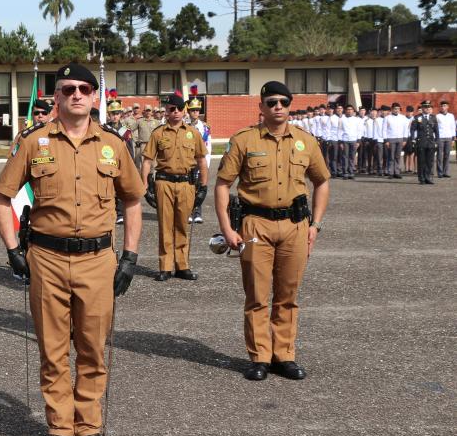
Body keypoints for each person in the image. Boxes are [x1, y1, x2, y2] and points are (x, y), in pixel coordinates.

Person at [0, 62, 144, 436]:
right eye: (67, 89)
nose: (75, 94)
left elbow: (132, 200)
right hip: (47, 259)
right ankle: (59, 429)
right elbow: (1, 196)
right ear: (56, 97)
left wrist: (130, 256)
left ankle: (88, 428)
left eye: (83, 89)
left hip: (98, 260)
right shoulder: (33, 142)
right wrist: (11, 248)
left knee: (93, 347)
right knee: (53, 349)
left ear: (95, 98)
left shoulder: (113, 144)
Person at [214, 81, 330, 382]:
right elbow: (223, 184)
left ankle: (284, 356)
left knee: (288, 295)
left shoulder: (305, 141)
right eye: (271, 102)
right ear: (261, 107)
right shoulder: (244, 140)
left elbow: (322, 181)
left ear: (290, 106)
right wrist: (227, 227)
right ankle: (260, 357)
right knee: (256, 295)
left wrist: (315, 225)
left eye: (284, 102)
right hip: (255, 225)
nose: (278, 106)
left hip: (295, 226)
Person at [141, 93, 208, 281]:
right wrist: (145, 186)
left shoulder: (193, 133)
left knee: (182, 225)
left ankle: (182, 266)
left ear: (184, 110)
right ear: (166, 111)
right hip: (164, 183)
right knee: (165, 225)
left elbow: (202, 161)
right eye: (172, 109)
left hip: (187, 184)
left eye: (179, 109)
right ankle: (165, 267)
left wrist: (203, 187)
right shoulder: (158, 133)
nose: (176, 112)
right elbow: (147, 161)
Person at [186, 95, 211, 223]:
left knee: (200, 187)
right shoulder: (183, 126)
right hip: (188, 162)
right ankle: (189, 212)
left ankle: (197, 213)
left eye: (197, 110)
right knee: (189, 187)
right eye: (192, 110)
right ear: (188, 111)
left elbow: (208, 146)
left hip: (200, 161)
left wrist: (207, 163)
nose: (195, 112)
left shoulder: (205, 127)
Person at [411, 101, 439, 185]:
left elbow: (436, 131)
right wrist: (413, 139)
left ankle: (428, 177)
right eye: (425, 107)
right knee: (421, 161)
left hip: (430, 142)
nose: (427, 109)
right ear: (422, 108)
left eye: (428, 107)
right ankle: (421, 178)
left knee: (429, 161)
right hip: (421, 142)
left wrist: (437, 141)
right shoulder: (417, 117)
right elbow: (412, 129)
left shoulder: (433, 117)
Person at [382, 103, 409, 178]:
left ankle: (397, 172)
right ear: (392, 109)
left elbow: (405, 129)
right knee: (391, 156)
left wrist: (405, 139)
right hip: (391, 139)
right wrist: (386, 140)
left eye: (398, 109)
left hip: (400, 138)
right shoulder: (387, 118)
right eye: (395, 109)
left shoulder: (403, 118)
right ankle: (390, 172)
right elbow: (384, 130)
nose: (396, 110)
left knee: (397, 156)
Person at [338, 104, 363, 180]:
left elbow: (359, 130)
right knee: (345, 157)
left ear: (353, 111)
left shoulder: (357, 120)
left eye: (351, 109)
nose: (349, 111)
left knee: (352, 157)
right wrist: (340, 142)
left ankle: (351, 172)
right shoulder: (342, 119)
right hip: (345, 140)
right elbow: (339, 130)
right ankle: (345, 172)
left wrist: (358, 141)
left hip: (354, 140)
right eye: (348, 109)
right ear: (345, 111)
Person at [133, 105, 158, 169]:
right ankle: (143, 177)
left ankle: (152, 177)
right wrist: (135, 140)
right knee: (143, 161)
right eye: (147, 110)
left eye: (149, 110)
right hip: (143, 144)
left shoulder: (156, 122)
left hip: (153, 144)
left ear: (151, 112)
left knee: (153, 161)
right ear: (144, 111)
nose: (148, 112)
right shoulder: (139, 121)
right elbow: (131, 130)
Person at [436, 101, 455, 178]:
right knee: (440, 155)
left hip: (449, 137)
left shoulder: (451, 116)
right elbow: (435, 128)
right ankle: (440, 172)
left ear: (447, 107)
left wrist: (453, 138)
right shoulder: (437, 116)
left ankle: (445, 172)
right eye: (442, 106)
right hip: (440, 137)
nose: (443, 107)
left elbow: (453, 127)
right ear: (440, 107)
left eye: (445, 106)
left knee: (447, 155)